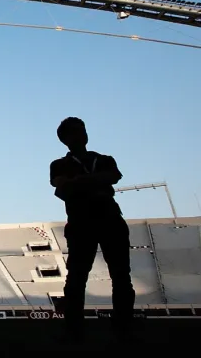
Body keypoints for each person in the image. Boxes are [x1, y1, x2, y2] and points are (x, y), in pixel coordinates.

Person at [49, 117, 134, 341]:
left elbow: (112, 177)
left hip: (107, 220)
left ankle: (123, 324)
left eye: (82, 130)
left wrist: (77, 182)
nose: (81, 135)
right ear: (65, 139)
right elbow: (61, 187)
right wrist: (95, 182)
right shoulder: (58, 164)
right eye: (75, 132)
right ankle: (75, 327)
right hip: (82, 223)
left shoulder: (103, 159)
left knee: (120, 275)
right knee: (77, 277)